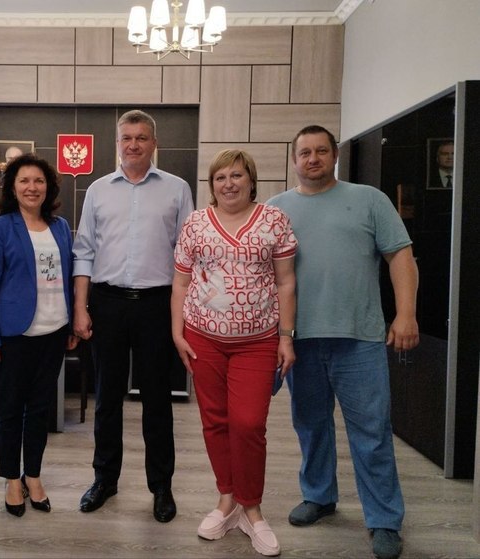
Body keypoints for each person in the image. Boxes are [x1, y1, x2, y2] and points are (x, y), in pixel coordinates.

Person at [267, 125, 420, 559]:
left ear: (334, 155)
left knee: (371, 432)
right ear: (294, 160)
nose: (313, 158)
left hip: (360, 338)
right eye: (305, 152)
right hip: (299, 340)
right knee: (310, 424)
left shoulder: (370, 200)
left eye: (321, 151)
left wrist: (405, 314)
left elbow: (401, 257)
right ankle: (319, 496)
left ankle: (384, 518)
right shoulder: (276, 210)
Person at [171, 149, 296, 556]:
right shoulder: (195, 224)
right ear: (212, 185)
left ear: (251, 180)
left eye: (237, 175)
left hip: (257, 341)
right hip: (203, 338)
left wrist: (286, 337)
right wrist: (177, 333)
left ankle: (251, 508)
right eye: (221, 177)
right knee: (215, 421)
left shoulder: (274, 220)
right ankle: (227, 499)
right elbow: (181, 283)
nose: (229, 183)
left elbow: (286, 282)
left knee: (248, 423)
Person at [73, 109, 194, 523]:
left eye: (142, 137)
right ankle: (104, 479)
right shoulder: (98, 190)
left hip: (157, 305)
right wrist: (80, 308)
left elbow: (187, 254)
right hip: (106, 302)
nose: (134, 144)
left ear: (154, 143)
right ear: (118, 143)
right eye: (127, 137)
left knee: (157, 400)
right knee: (107, 397)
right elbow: (84, 251)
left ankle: (161, 486)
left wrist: (183, 315)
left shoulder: (177, 189)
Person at [0, 153, 78, 517]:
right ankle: (11, 479)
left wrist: (71, 324)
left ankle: (32, 475)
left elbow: (68, 278)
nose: (32, 187)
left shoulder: (61, 226)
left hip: (54, 331)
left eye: (39, 181)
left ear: (48, 187)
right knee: (9, 410)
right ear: (12, 187)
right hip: (14, 335)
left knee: (39, 410)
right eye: (24, 181)